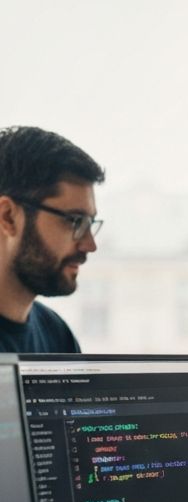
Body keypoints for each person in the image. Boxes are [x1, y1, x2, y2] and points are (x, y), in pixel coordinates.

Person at [0, 126, 104, 354]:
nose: (89, 245)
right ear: (8, 217)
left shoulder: (57, 336)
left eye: (90, 223)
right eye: (75, 221)